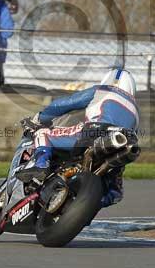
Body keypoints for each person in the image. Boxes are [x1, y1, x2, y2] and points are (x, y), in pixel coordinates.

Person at [16, 67, 139, 208]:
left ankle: (41, 166)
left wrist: (39, 118)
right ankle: (93, 203)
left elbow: (65, 104)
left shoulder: (103, 89)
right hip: (123, 144)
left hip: (95, 131)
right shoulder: (137, 112)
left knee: (43, 134)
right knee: (113, 189)